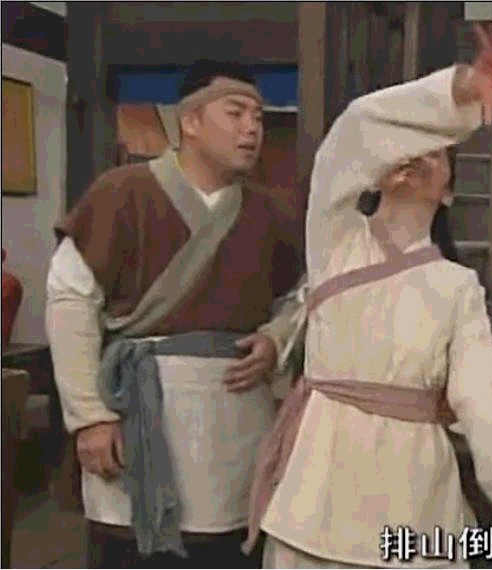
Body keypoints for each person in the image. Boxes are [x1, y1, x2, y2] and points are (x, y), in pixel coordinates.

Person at [240, 26, 492, 569]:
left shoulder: (456, 287)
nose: (418, 155)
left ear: (449, 190)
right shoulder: (335, 238)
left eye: (438, 151)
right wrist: (459, 94)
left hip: (412, 500)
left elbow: (482, 390)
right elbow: (354, 130)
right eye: (407, 146)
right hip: (317, 486)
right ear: (378, 169)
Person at [45, 60, 303, 568]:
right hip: (137, 408)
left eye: (258, 116)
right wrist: (90, 418)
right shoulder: (120, 193)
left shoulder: (271, 213)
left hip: (233, 415)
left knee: (229, 548)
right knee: (133, 550)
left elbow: (300, 296)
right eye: (236, 113)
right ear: (190, 121)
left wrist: (276, 338)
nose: (252, 128)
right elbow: (70, 302)